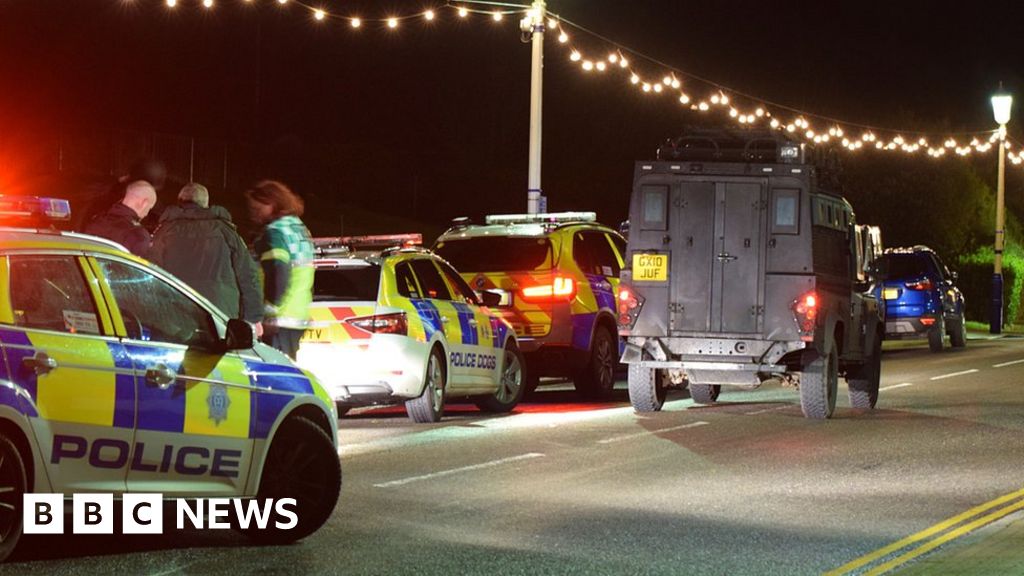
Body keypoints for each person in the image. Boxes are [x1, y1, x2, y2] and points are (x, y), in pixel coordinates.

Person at [150, 183, 264, 332]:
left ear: (179, 201)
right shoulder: (226, 232)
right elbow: (248, 275)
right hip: (219, 313)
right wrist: (253, 318)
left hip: (175, 313)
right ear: (206, 203)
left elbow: (150, 273)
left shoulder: (163, 232)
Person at [246, 180, 314, 359]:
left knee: (274, 375)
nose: (253, 213)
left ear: (272, 203)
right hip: (296, 315)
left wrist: (269, 311)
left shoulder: (274, 233)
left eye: (257, 207)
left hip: (278, 319)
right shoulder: (298, 228)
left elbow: (278, 271)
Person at [84, 180, 157, 256]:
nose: (147, 214)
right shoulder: (139, 235)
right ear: (144, 203)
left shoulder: (96, 219)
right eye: (149, 208)